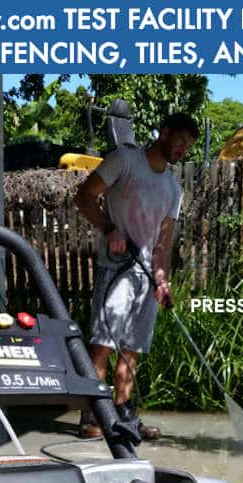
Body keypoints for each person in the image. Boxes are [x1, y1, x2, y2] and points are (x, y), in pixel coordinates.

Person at [74, 111, 199, 441]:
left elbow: (162, 243)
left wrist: (162, 280)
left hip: (144, 277)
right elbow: (83, 196)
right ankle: (92, 418)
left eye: (189, 145)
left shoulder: (172, 189)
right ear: (165, 133)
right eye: (181, 141)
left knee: (132, 351)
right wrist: (109, 228)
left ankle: (124, 417)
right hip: (115, 269)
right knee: (102, 345)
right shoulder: (125, 162)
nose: (183, 149)